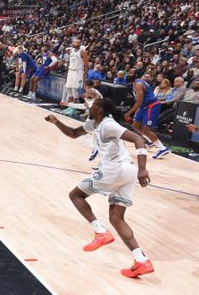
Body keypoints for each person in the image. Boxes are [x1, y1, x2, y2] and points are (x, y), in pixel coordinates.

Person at [45, 98, 155, 278]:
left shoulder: (108, 125)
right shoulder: (93, 123)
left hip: (115, 169)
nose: (91, 106)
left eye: (95, 105)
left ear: (101, 110)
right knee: (116, 218)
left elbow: (138, 139)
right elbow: (73, 133)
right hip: (127, 172)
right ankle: (141, 260)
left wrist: (143, 168)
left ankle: (100, 232)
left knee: (76, 196)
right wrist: (57, 122)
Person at [124, 72, 170, 158]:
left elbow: (139, 101)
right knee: (135, 125)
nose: (127, 75)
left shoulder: (138, 85)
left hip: (151, 106)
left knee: (146, 130)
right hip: (144, 106)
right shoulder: (137, 82)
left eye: (130, 74)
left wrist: (129, 112)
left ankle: (162, 149)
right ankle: (150, 141)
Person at [63, 38, 88, 109]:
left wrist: (84, 74)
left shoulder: (83, 52)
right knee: (67, 87)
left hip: (78, 71)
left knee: (74, 89)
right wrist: (67, 73)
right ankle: (70, 106)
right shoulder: (71, 51)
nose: (77, 44)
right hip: (71, 70)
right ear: (73, 43)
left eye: (78, 42)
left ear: (80, 43)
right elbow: (70, 63)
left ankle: (73, 108)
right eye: (75, 42)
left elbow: (86, 64)